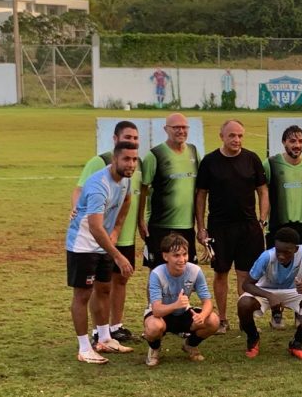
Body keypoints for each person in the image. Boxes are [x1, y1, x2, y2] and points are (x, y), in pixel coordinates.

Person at [66, 142, 137, 364]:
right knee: (83, 294)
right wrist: (117, 254)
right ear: (114, 160)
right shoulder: (98, 185)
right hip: (83, 245)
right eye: (126, 159)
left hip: (103, 243)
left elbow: (126, 201)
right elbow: (95, 227)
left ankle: (105, 338)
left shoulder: (125, 179)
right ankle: (84, 347)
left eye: (134, 159)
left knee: (104, 289)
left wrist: (116, 229)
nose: (131, 164)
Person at [196, 119, 269, 334]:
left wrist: (262, 220)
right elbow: (201, 195)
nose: (236, 140)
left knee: (245, 275)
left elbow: (263, 190)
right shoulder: (210, 162)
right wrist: (201, 227)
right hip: (219, 227)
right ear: (222, 136)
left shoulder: (252, 159)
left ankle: (244, 320)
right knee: (221, 273)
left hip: (248, 227)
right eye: (232, 136)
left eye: (240, 136)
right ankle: (223, 319)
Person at [237, 228, 302, 360]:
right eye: (278, 251)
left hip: (292, 292)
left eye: (286, 252)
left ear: (295, 249)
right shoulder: (266, 257)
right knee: (243, 304)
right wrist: (269, 296)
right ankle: (253, 338)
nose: (281, 256)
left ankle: (297, 342)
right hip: (265, 291)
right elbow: (247, 285)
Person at [142, 233, 220, 367]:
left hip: (183, 313)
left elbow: (207, 301)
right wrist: (175, 304)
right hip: (162, 315)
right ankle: (154, 349)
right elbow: (156, 310)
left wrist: (202, 316)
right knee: (154, 327)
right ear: (165, 256)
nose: (182, 259)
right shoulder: (157, 274)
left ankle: (190, 345)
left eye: (185, 254)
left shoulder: (195, 271)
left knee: (213, 321)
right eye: (176, 255)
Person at [138, 113, 200, 269]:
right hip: (161, 225)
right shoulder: (155, 155)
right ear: (166, 129)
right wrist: (140, 220)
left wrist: (200, 224)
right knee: (158, 272)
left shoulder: (193, 151)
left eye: (184, 127)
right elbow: (143, 189)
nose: (181, 131)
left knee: (186, 270)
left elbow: (199, 190)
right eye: (176, 127)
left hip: (187, 225)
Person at [264, 125, 302, 254]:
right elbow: (261, 191)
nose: (297, 145)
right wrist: (262, 221)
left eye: (300, 141)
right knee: (276, 268)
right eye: (292, 141)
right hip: (278, 225)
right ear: (284, 142)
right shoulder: (271, 163)